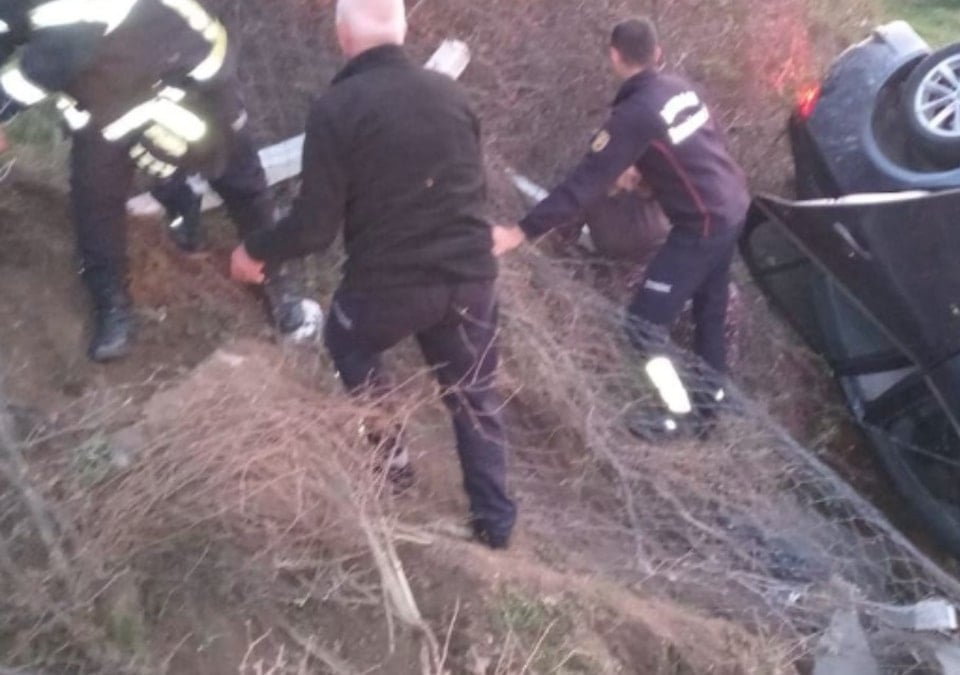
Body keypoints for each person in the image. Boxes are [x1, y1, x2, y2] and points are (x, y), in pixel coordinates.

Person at [229, 0, 517, 549]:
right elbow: (470, 190)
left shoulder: (337, 107)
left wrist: (256, 251)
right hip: (470, 277)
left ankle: (392, 465)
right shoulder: (452, 95)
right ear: (402, 32)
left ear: (343, 36)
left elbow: (314, 228)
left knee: (348, 340)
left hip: (390, 286)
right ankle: (496, 522)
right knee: (473, 394)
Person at [0, 0, 315, 362]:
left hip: (184, 66)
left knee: (238, 177)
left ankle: (276, 282)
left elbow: (58, 57)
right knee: (94, 199)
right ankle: (112, 304)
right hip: (104, 96)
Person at [492, 17, 751, 439]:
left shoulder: (634, 115)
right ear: (658, 53)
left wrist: (519, 232)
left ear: (615, 56)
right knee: (711, 306)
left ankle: (679, 414)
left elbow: (583, 184)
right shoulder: (680, 88)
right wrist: (652, 176)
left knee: (642, 325)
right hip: (734, 206)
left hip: (702, 224)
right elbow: (705, 146)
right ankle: (710, 406)